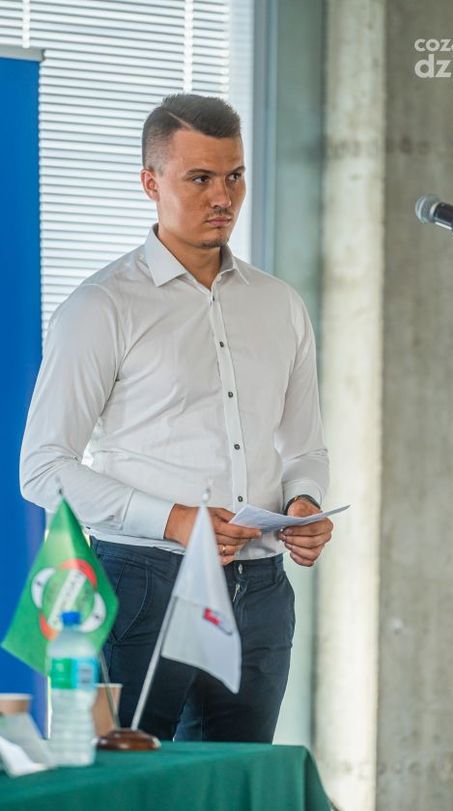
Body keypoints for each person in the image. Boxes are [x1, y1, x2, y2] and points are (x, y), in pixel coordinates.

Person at [20, 93, 333, 743]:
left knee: (235, 779)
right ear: (150, 182)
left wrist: (303, 501)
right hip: (144, 584)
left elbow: (304, 446)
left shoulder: (280, 305)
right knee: (130, 780)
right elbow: (42, 468)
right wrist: (174, 519)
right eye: (200, 178)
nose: (223, 196)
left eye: (234, 176)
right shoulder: (100, 307)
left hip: (259, 590)